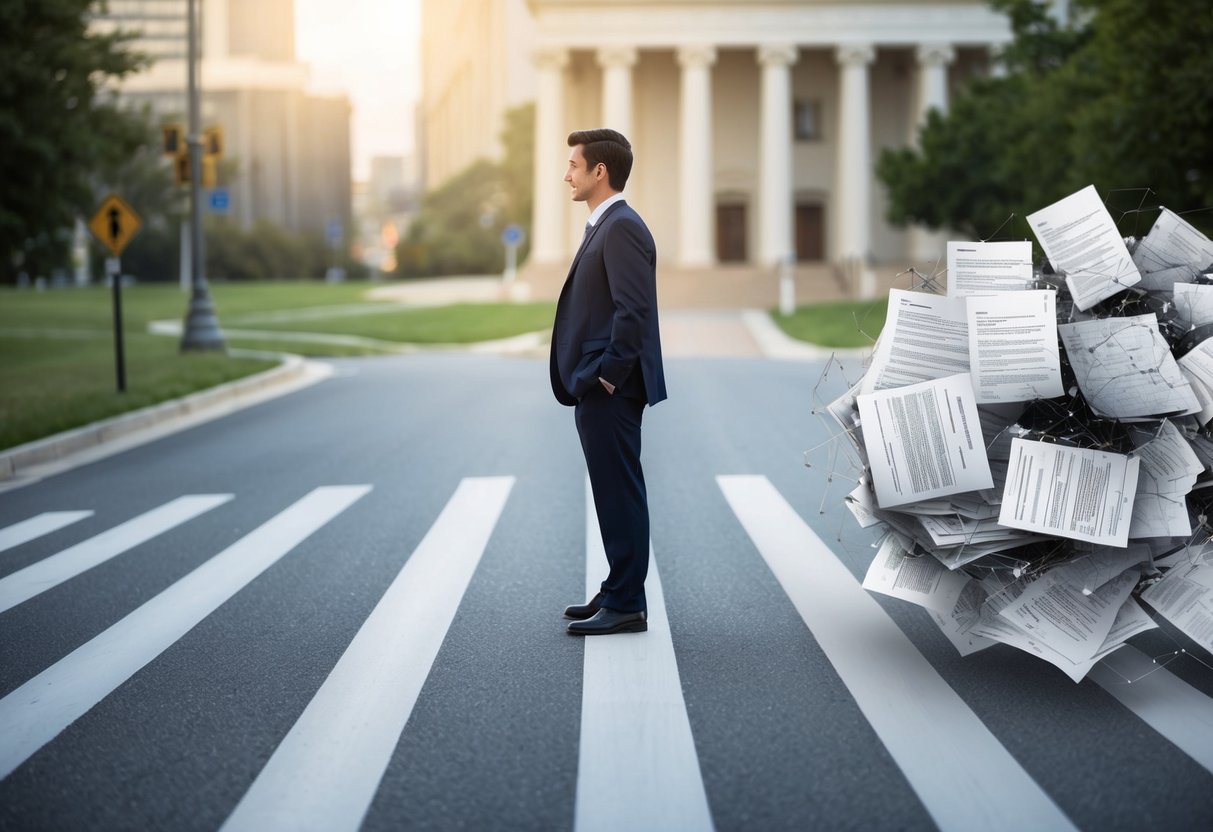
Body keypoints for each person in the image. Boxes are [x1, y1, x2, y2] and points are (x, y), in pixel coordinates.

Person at [550, 128, 667, 636]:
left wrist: (608, 377)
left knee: (620, 492)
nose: (567, 174)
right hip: (600, 384)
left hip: (611, 387)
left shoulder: (621, 226)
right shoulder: (606, 225)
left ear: (600, 171)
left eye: (574, 165)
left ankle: (626, 603)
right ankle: (619, 589)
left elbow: (633, 310)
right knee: (611, 491)